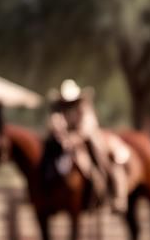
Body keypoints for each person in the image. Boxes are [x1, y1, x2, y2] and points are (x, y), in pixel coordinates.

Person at [46, 79, 129, 213]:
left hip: (86, 138)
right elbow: (55, 124)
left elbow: (87, 128)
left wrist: (74, 139)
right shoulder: (59, 109)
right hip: (66, 141)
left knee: (101, 154)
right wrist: (60, 134)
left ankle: (112, 189)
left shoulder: (84, 107)